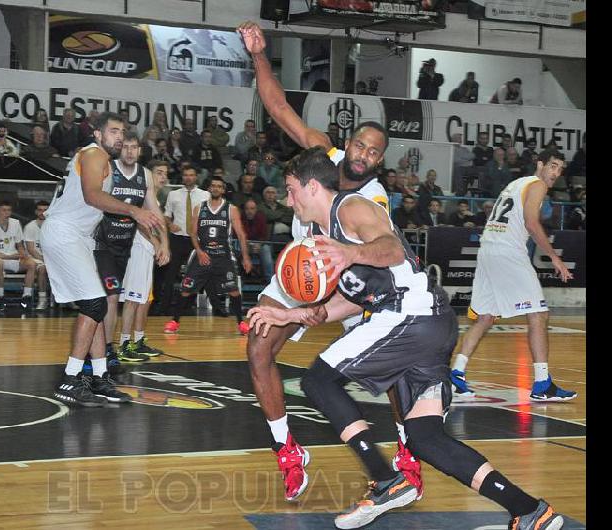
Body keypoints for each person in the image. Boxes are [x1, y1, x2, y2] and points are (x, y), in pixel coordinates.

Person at [247, 146, 566, 530]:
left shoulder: (351, 209)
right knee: (424, 438)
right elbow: (345, 303)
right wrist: (291, 314)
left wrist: (350, 253)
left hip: (408, 315)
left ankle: (386, 480)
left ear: (311, 186)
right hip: (428, 325)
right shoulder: (322, 234)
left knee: (318, 379)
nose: (288, 198)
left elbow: (392, 249)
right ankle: (529, 509)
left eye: (291, 188)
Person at [239, 21, 417, 504]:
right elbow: (278, 109)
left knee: (391, 374)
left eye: (375, 153)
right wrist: (260, 55)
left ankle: (406, 454)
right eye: (361, 145)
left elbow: (380, 254)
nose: (364, 155)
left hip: (349, 282)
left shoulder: (373, 199)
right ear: (350, 143)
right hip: (301, 272)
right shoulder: (324, 155)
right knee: (258, 350)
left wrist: (339, 288)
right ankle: (288, 450)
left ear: (380, 162)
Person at [41, 112, 161, 407]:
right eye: (114, 131)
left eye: (123, 132)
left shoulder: (103, 160)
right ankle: (70, 379)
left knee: (94, 304)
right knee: (95, 304)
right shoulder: (94, 154)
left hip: (79, 236)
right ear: (97, 134)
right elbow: (92, 196)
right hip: (64, 232)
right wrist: (133, 211)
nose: (120, 137)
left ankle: (98, 376)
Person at [451, 147, 577, 402]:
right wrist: (554, 256)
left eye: (560, 169)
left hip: (488, 249)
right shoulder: (537, 185)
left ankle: (455, 374)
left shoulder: (515, 183)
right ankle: (542, 383)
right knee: (539, 313)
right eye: (552, 165)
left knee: (485, 317)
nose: (556, 173)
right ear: (540, 164)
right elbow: (532, 223)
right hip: (507, 252)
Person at [93, 132, 169, 369]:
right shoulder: (108, 168)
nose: (129, 151)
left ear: (139, 151)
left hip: (126, 245)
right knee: (111, 297)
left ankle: (109, 347)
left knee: (121, 298)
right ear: (119, 149)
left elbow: (154, 211)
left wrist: (164, 242)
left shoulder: (144, 175)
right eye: (125, 146)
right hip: (102, 242)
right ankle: (106, 348)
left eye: (133, 147)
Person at [163, 175, 252, 334]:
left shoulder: (231, 209)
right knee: (186, 289)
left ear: (223, 190)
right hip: (202, 255)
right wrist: (199, 251)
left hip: (223, 256)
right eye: (213, 185)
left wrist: (245, 257)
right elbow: (192, 232)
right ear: (209, 188)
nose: (216, 188)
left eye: (219, 186)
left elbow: (241, 234)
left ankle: (241, 323)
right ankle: (174, 321)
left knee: (233, 290)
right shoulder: (200, 207)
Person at [119, 160, 172, 359]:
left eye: (165, 173)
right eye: (158, 172)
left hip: (146, 249)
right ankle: (124, 345)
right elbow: (139, 223)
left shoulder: (155, 200)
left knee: (143, 299)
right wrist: (157, 243)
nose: (163, 177)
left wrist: (160, 243)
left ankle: (138, 341)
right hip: (138, 247)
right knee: (133, 299)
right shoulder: (142, 195)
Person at [156, 165, 210, 316]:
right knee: (170, 274)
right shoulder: (173, 195)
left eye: (191, 175)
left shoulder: (205, 195)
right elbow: (166, 215)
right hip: (177, 238)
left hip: (196, 239)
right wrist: (169, 224)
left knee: (193, 274)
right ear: (182, 177)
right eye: (185, 175)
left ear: (196, 177)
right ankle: (163, 307)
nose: (188, 178)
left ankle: (188, 306)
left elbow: (209, 216)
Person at [0, 201, 38, 310]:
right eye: (4, 210)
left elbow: (19, 245)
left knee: (32, 264)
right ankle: (0, 296)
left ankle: (26, 296)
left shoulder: (16, 223)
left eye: (9, 210)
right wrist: (8, 257)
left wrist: (23, 253)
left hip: (13, 257)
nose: (7, 213)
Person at [23, 201, 51, 311]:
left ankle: (68, 300)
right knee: (42, 269)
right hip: (35, 258)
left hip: (51, 259)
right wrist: (44, 259)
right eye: (40, 210)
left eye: (45, 210)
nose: (42, 212)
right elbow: (30, 249)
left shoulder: (53, 226)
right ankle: (42, 299)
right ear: (36, 211)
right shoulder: (30, 227)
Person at [241, 199, 273, 281]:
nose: (249, 211)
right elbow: (237, 235)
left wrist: (259, 244)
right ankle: (240, 279)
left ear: (256, 210)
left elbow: (264, 235)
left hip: (259, 244)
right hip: (244, 244)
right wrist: (246, 244)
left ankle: (269, 281)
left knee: (266, 249)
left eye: (252, 209)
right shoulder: (240, 218)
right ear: (244, 210)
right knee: (237, 249)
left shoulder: (261, 217)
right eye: (247, 209)